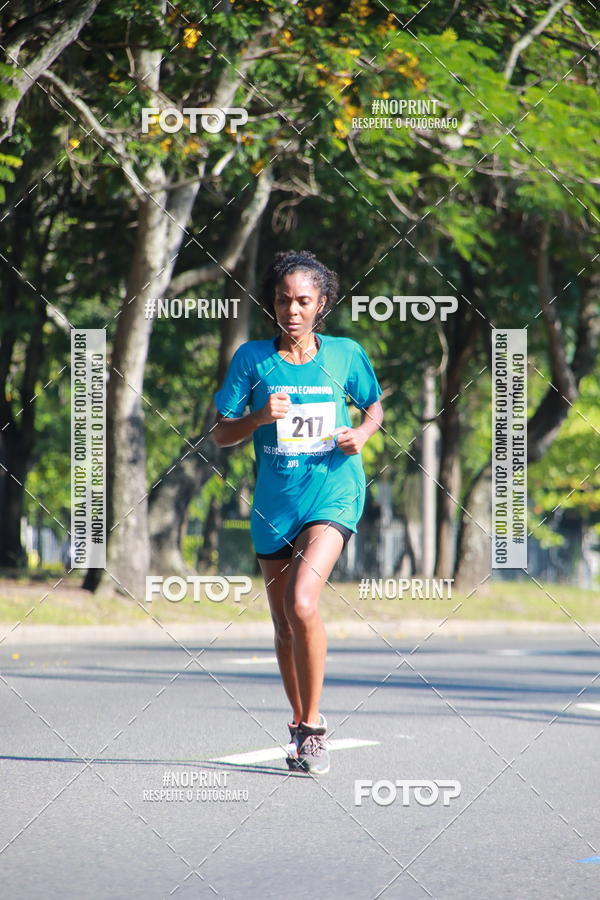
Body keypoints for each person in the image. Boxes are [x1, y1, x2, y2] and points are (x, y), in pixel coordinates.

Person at [212, 249, 384, 775]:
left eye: (303, 301)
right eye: (284, 300)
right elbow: (220, 433)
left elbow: (374, 405)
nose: (292, 310)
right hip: (274, 506)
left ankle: (313, 730)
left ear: (322, 304)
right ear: (272, 303)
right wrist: (259, 416)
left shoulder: (344, 354)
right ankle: (298, 719)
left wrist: (361, 434)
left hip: (333, 492)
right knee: (284, 622)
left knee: (303, 602)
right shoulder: (251, 359)